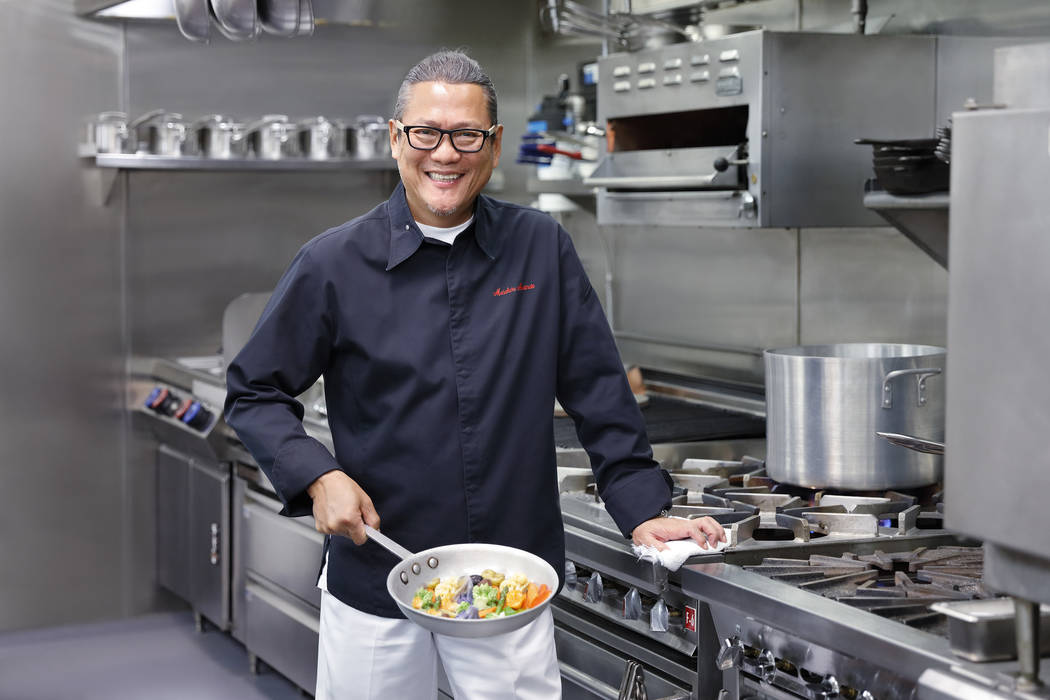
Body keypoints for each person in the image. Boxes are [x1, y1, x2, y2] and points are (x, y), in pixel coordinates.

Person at [224, 49, 725, 700]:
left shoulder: (540, 247)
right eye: (425, 133)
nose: (445, 154)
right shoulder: (332, 263)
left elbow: (600, 392)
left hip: (509, 577)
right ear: (396, 139)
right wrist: (319, 477)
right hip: (378, 569)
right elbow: (254, 390)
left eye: (466, 136)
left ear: (493, 145)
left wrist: (641, 510)